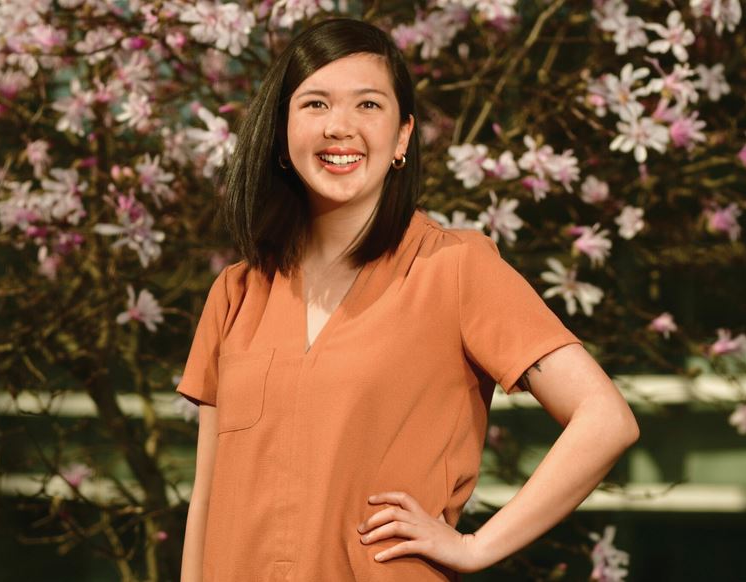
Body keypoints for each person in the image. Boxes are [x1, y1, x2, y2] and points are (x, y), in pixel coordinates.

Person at [176, 17, 639, 582]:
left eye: (367, 106)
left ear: (402, 137)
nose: (338, 127)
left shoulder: (456, 268)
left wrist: (475, 546)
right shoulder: (237, 292)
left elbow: (605, 420)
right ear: (280, 135)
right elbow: (207, 502)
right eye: (315, 104)